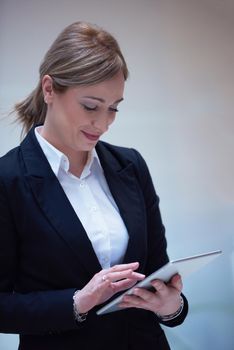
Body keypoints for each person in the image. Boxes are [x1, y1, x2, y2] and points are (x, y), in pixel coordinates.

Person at [0, 21, 188, 350]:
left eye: (113, 108)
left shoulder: (131, 166)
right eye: (90, 106)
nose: (103, 123)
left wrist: (172, 307)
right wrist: (78, 302)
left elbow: (158, 271)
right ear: (49, 89)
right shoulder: (8, 180)